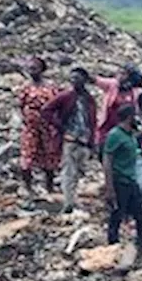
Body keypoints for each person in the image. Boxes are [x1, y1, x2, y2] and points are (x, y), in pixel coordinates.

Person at [43, 67, 98, 214]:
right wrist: (61, 128)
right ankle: (68, 203)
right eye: (72, 78)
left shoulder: (89, 99)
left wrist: (92, 142)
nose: (74, 81)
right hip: (70, 140)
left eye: (77, 78)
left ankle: (72, 199)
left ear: (85, 80)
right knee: (68, 172)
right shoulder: (66, 96)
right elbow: (46, 110)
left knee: (78, 172)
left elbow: (92, 121)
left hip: (84, 140)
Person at [103, 105, 142, 264]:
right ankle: (112, 248)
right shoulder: (115, 135)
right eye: (134, 116)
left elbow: (137, 137)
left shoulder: (129, 135)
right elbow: (107, 161)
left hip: (131, 181)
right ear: (129, 117)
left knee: (141, 215)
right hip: (120, 181)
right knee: (117, 215)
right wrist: (109, 188)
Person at [17, 56, 60, 194]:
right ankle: (28, 187)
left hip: (47, 127)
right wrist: (26, 119)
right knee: (27, 156)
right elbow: (20, 105)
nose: (31, 71)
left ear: (41, 69)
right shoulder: (26, 87)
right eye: (30, 68)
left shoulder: (50, 88)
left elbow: (57, 105)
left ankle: (49, 186)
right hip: (31, 128)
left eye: (34, 68)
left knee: (49, 157)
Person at [95, 64, 142, 151]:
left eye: (123, 74)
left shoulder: (135, 93)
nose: (119, 76)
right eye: (120, 73)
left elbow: (139, 109)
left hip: (123, 127)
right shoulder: (113, 85)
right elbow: (98, 81)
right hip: (108, 124)